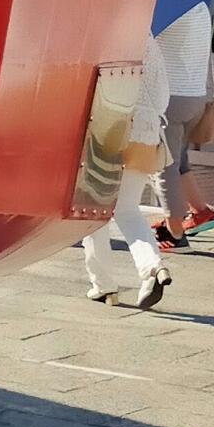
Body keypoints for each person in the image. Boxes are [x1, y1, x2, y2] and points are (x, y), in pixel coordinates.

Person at [83, 33, 173, 311]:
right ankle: (152, 268)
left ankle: (104, 286)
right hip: (147, 131)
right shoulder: (149, 41)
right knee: (128, 209)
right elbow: (163, 96)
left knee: (92, 208)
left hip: (110, 126)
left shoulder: (106, 34)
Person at [149, 0, 214, 244]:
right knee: (178, 160)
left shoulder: (169, 3)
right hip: (196, 95)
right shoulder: (205, 2)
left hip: (169, 97)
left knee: (161, 165)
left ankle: (175, 231)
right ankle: (200, 211)